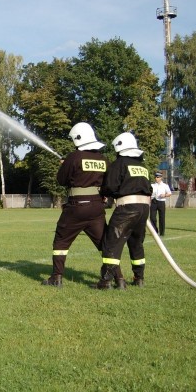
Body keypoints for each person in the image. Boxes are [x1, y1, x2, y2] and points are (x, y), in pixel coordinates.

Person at [42, 122, 125, 288]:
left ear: (77, 138)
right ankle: (120, 280)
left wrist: (64, 166)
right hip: (96, 208)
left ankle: (56, 277)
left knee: (61, 242)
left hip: (76, 207)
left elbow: (61, 180)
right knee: (105, 245)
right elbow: (108, 183)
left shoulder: (74, 157)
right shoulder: (103, 160)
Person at [95, 132, 152, 290]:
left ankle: (106, 281)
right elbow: (149, 188)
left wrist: (103, 192)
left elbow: (110, 187)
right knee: (136, 243)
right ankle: (139, 278)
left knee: (111, 242)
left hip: (127, 208)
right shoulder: (141, 165)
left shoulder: (119, 164)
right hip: (144, 208)